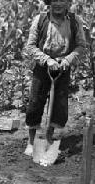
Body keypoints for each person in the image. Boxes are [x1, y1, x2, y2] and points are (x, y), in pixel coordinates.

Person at [23, 0, 86, 157]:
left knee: (58, 105)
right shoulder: (40, 19)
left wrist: (67, 60)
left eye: (62, 0)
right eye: (54, 0)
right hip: (43, 66)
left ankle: (48, 138)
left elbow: (81, 46)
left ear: (68, 3)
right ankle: (31, 142)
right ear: (49, 3)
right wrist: (47, 60)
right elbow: (30, 46)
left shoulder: (74, 21)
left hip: (63, 67)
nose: (58, 4)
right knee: (35, 102)